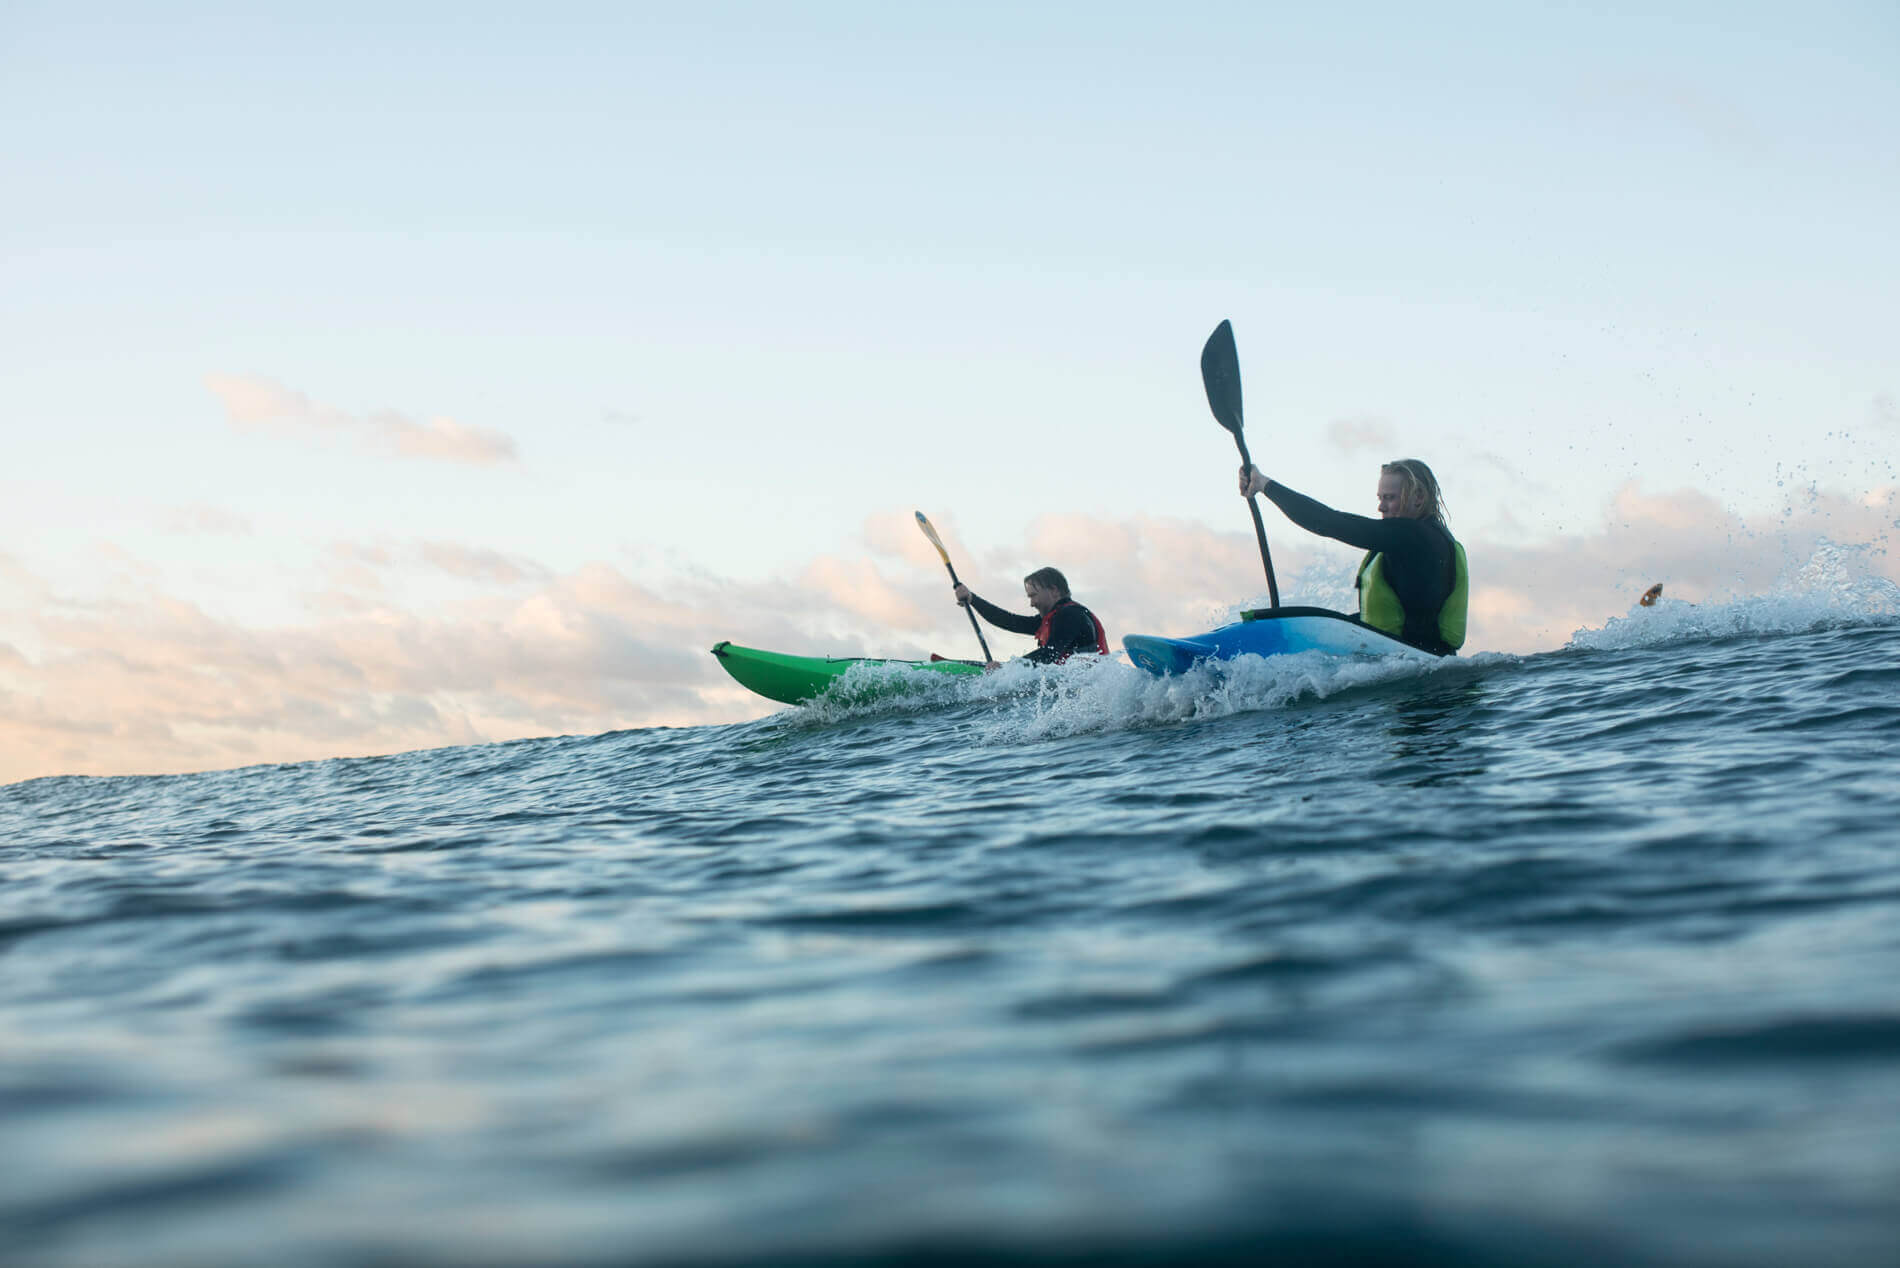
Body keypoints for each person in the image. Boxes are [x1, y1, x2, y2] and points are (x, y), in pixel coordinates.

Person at [1239, 459, 1468, 656]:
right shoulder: (1432, 538)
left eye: (1390, 498)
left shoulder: (1413, 537)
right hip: (1426, 661)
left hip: (1414, 669)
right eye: (1380, 497)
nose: (1381, 507)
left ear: (1418, 498)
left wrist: (1265, 485)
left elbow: (1328, 522)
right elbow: (1411, 615)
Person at [953, 567, 1108, 668]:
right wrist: (972, 599)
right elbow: (1010, 621)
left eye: (1034, 596)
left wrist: (1006, 669)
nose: (1032, 603)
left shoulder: (1072, 615)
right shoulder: (1055, 617)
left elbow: (1048, 655)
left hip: (1090, 689)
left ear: (1054, 590)